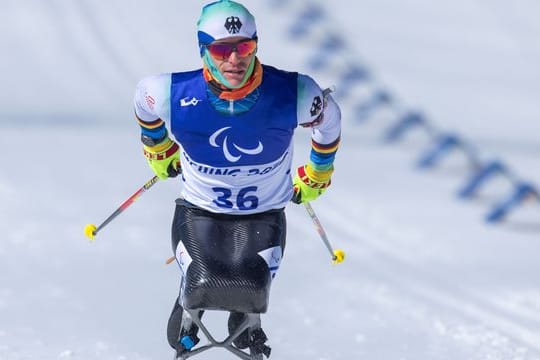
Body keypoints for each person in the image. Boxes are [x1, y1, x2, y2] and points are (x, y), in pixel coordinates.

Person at [133, 0, 341, 357]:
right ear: (204, 51)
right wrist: (158, 149)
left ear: (256, 46)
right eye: (222, 49)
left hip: (264, 214)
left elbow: (329, 120)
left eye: (244, 47)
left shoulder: (295, 93)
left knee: (252, 291)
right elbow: (143, 102)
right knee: (202, 284)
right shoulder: (172, 93)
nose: (235, 60)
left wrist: (318, 172)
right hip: (199, 211)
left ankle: (243, 322)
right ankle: (189, 307)